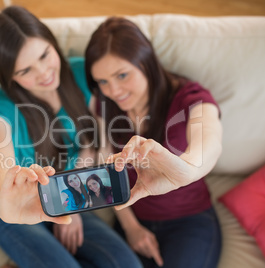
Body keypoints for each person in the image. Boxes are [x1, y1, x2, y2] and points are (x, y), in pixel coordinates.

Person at [0, 6, 142, 268]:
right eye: (25, 71)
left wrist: (71, 206)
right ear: (9, 77)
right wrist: (6, 201)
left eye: (44, 55)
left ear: (53, 43)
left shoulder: (81, 74)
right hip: (16, 212)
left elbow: (101, 149)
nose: (43, 73)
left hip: (70, 192)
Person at [84, 17, 223, 268]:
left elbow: (208, 144)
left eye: (122, 75)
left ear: (146, 62)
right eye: (103, 81)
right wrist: (131, 228)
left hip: (188, 220)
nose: (114, 90)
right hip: (133, 218)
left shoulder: (191, 98)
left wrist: (186, 169)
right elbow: (107, 173)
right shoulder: (104, 105)